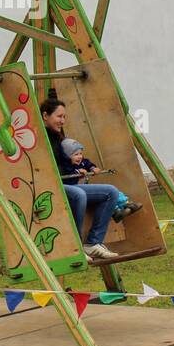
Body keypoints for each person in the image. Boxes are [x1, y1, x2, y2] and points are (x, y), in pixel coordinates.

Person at [40, 98, 120, 261]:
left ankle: (92, 243)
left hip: (64, 182)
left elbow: (65, 163)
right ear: (45, 116)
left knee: (111, 192)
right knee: (78, 195)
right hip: (49, 185)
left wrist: (79, 169)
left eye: (64, 117)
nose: (62, 121)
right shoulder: (38, 137)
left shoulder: (58, 137)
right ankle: (74, 246)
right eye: (59, 117)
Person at [59, 137, 142, 223]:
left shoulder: (82, 161)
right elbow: (67, 171)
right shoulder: (66, 165)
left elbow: (88, 163)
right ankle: (117, 211)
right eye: (76, 154)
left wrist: (92, 168)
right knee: (107, 193)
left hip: (84, 189)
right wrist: (77, 171)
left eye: (80, 153)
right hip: (75, 191)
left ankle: (124, 205)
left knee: (113, 192)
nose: (79, 157)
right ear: (67, 156)